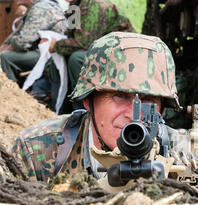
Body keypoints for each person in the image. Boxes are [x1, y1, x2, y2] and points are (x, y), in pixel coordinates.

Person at [11, 32, 180, 184]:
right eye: (119, 96)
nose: (131, 115)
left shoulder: (182, 155)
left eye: (148, 100)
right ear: (88, 100)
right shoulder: (37, 150)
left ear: (161, 109)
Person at [45, 0, 134, 114]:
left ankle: (82, 112)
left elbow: (84, 43)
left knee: (76, 59)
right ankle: (58, 110)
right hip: (102, 51)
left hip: (120, 56)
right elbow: (72, 35)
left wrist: (56, 45)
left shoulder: (95, 4)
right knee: (58, 58)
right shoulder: (75, 6)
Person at [0, 0, 67, 82]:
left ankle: (12, 91)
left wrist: (5, 48)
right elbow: (17, 33)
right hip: (43, 52)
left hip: (52, 54)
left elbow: (22, 42)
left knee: (5, 57)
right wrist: (5, 45)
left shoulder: (41, 8)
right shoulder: (35, 6)